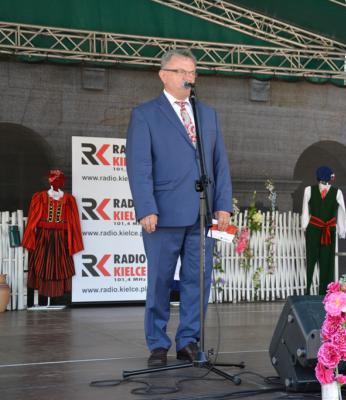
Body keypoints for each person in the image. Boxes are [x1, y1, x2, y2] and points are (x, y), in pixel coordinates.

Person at [126, 49, 232, 367]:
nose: (189, 77)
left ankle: (188, 340)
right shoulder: (145, 115)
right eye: (182, 71)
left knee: (197, 280)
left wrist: (223, 205)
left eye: (193, 72)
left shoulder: (207, 115)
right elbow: (139, 165)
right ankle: (158, 343)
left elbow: (220, 163)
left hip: (202, 214)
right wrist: (146, 207)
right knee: (159, 280)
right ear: (164, 75)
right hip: (162, 214)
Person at [23, 170, 83, 298]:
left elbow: (74, 222)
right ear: (50, 180)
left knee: (60, 265)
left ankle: (57, 291)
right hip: (43, 237)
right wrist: (30, 236)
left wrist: (73, 240)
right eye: (54, 179)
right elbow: (33, 218)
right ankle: (43, 290)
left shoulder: (69, 199)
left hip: (61, 238)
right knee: (43, 264)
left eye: (59, 179)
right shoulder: (40, 197)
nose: (56, 182)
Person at [301, 166, 346, 295]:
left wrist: (341, 230)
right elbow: (305, 208)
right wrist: (305, 224)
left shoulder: (337, 192)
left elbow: (342, 211)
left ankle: (326, 292)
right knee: (311, 259)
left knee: (327, 261)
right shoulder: (309, 190)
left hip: (329, 229)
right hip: (314, 229)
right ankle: (308, 290)